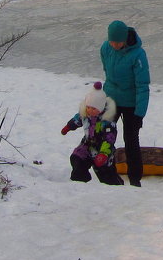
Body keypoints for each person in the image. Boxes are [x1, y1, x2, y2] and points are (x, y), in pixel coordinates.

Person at [100, 20, 150, 186]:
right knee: (106, 137)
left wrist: (139, 113)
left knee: (131, 140)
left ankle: (135, 179)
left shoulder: (138, 55)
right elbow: (107, 72)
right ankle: (109, 174)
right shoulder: (105, 48)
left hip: (131, 102)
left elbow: (142, 86)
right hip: (112, 99)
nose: (114, 45)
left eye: (117, 42)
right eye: (111, 41)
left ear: (124, 39)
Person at [61, 81, 123, 185]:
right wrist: (68, 127)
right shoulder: (85, 114)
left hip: (103, 149)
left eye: (93, 108)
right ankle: (79, 181)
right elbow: (77, 119)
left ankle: (116, 185)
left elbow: (109, 140)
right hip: (87, 145)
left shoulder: (107, 122)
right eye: (88, 107)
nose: (90, 110)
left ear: (101, 108)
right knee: (77, 159)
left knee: (105, 174)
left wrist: (103, 154)